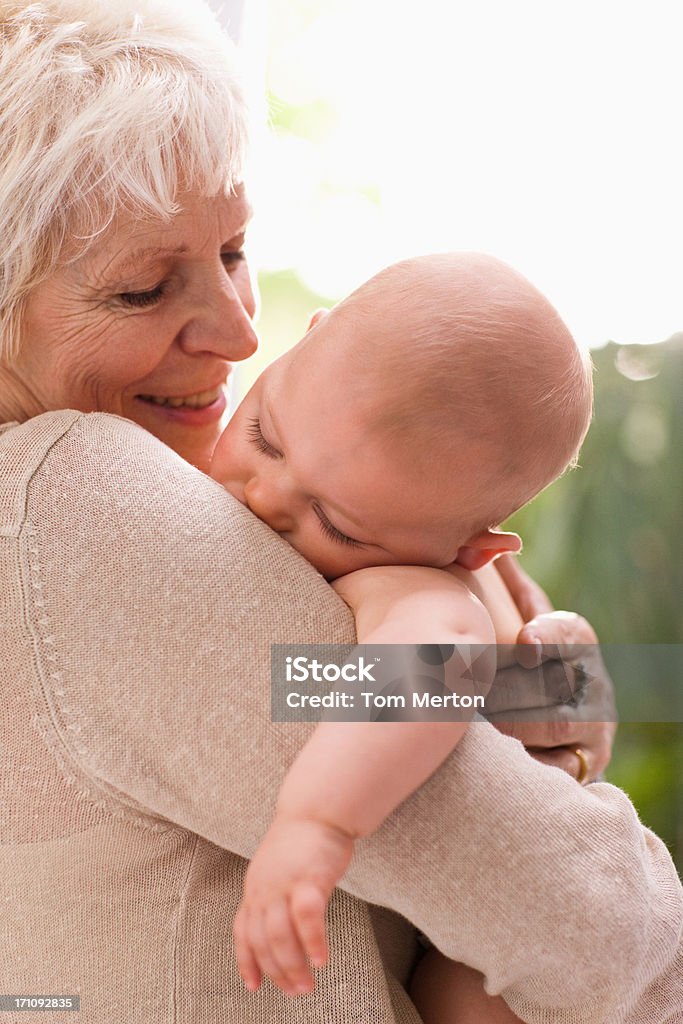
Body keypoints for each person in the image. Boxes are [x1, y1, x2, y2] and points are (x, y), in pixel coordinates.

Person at [0, 3, 680, 1023]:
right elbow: (610, 926)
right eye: (143, 287)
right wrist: (557, 759)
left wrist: (544, 708)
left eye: (233, 249)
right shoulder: (81, 493)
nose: (237, 333)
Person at [215, 250, 592, 1019]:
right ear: (304, 340)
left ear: (469, 550)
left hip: (503, 936)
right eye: (264, 434)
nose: (264, 497)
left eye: (333, 523)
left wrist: (315, 823)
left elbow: (433, 662)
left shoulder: (423, 583)